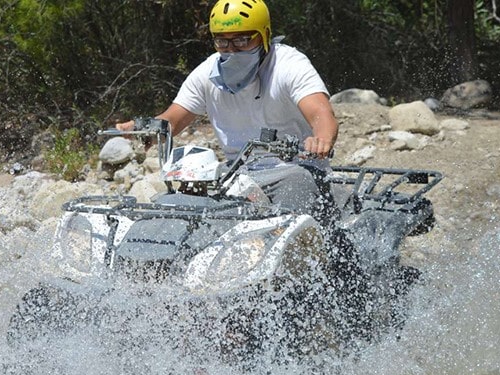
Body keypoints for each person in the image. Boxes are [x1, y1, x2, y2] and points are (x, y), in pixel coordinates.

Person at [117, 0, 338, 219]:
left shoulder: (289, 64)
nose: (231, 50)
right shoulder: (207, 73)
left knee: (295, 192)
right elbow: (172, 121)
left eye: (242, 40)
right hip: (236, 174)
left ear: (264, 35)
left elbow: (321, 113)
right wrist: (144, 128)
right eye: (222, 42)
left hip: (295, 168)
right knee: (190, 196)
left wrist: (321, 138)